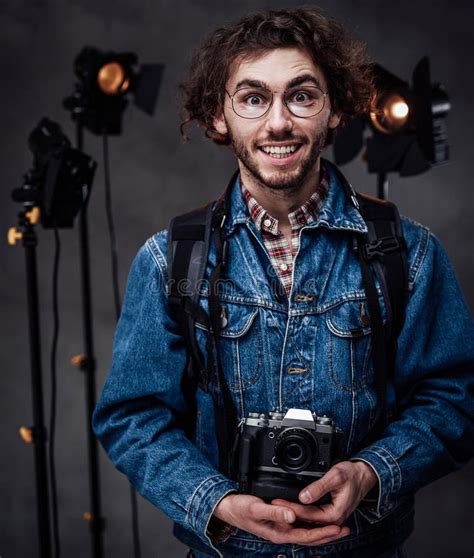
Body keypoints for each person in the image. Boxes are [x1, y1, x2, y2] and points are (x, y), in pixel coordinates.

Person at [92, 7, 474, 558]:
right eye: (252, 98)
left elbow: (456, 399)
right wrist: (216, 503)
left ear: (336, 109)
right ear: (218, 117)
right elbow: (132, 417)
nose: (278, 123)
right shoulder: (171, 259)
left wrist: (371, 471)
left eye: (302, 95)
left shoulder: (406, 254)